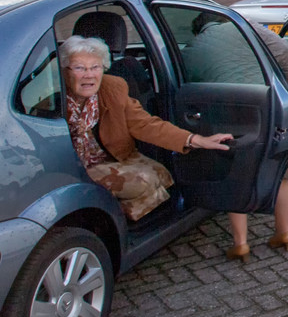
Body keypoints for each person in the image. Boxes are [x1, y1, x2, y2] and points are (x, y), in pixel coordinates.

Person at [61, 35, 232, 221]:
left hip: (110, 155)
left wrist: (195, 139)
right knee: (143, 182)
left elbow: (144, 123)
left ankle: (114, 218)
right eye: (79, 68)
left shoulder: (112, 87)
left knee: (163, 175)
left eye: (95, 67)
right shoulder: (53, 100)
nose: (89, 75)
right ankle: (106, 222)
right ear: (64, 71)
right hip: (74, 167)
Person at [182, 15, 288, 260]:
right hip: (267, 107)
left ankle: (241, 244)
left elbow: (185, 86)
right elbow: (284, 49)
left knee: (235, 176)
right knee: (281, 172)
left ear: (198, 30)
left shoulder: (192, 49)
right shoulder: (243, 26)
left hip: (229, 118)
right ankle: (284, 232)